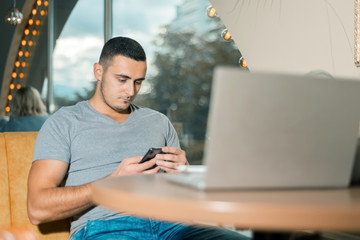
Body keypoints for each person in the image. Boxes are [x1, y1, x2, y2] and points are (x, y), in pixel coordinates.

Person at [27, 37, 249, 240]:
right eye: (122, 79)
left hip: (175, 226)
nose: (130, 91)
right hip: (108, 228)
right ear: (98, 71)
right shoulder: (65, 122)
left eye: (138, 82)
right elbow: (37, 208)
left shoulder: (159, 122)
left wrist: (185, 174)